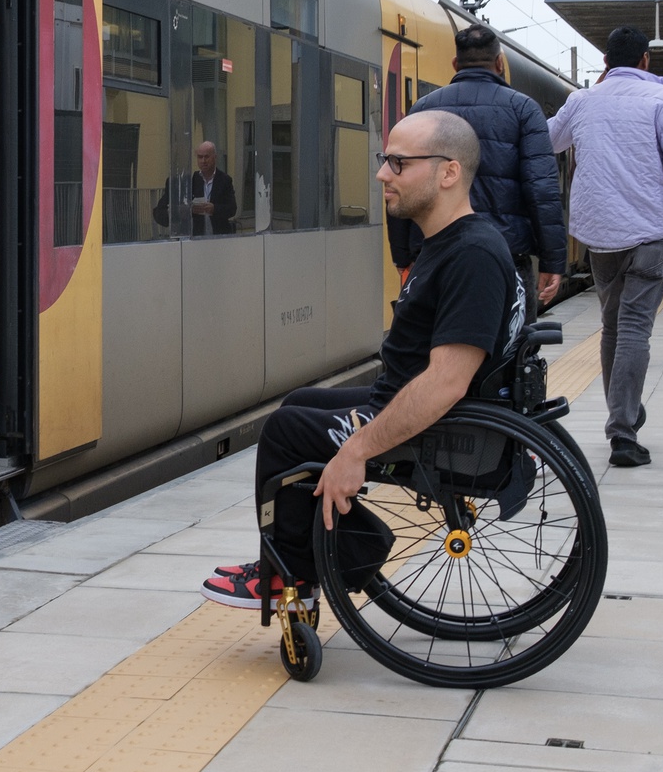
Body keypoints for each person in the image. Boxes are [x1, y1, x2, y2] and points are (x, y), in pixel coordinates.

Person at [201, 110, 525, 608]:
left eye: (397, 163)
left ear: (448, 172)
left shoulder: (471, 256)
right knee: (299, 403)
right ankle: (309, 554)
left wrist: (355, 451)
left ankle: (289, 574)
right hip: (417, 401)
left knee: (285, 435)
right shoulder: (451, 242)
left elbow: (446, 384)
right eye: (384, 160)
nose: (381, 175)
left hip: (449, 429)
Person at [546, 26, 663, 468]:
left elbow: (549, 142)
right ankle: (623, 429)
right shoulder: (661, 100)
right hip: (651, 232)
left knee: (612, 325)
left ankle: (624, 414)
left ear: (605, 64)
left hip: (599, 233)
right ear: (645, 60)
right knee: (635, 327)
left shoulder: (582, 101)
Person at [394, 23, 566, 310]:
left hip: (437, 253)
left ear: (455, 64)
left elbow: (400, 183)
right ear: (499, 63)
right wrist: (552, 261)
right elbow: (542, 189)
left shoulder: (423, 109)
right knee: (512, 346)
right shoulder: (523, 110)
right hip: (506, 255)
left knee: (440, 341)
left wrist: (404, 256)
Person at [153, 140, 237, 235]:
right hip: (195, 237)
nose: (203, 161)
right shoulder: (190, 182)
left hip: (219, 236)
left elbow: (232, 208)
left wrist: (214, 209)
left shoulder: (224, 180)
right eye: (200, 157)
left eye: (207, 157)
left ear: (215, 157)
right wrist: (184, 211)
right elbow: (159, 212)